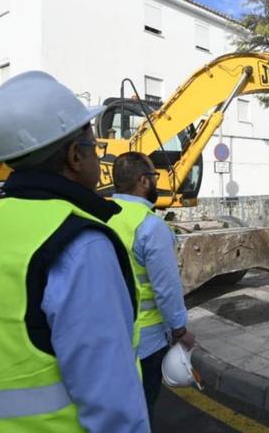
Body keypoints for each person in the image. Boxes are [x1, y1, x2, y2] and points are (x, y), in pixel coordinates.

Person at [0, 71, 148, 432]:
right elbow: (113, 407)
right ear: (75, 156)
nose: (98, 157)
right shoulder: (79, 246)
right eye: (93, 147)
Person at [108, 151, 194, 422]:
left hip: (107, 336)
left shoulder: (102, 216)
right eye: (154, 177)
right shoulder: (149, 226)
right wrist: (180, 331)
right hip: (144, 342)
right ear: (144, 181)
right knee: (141, 412)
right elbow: (166, 289)